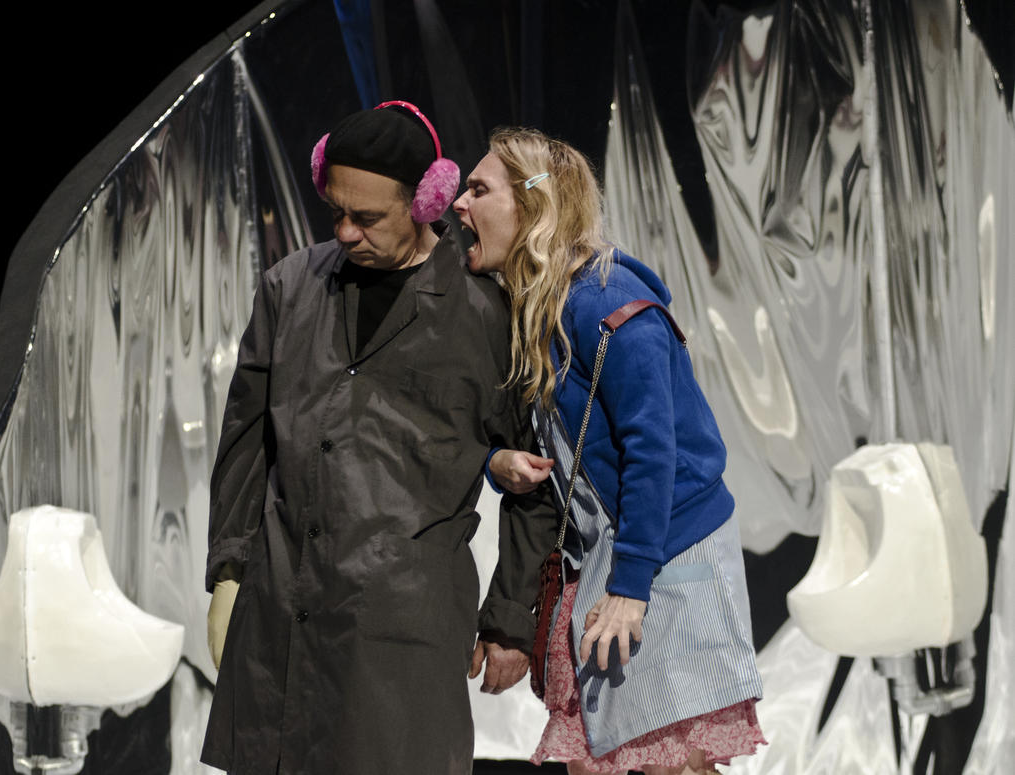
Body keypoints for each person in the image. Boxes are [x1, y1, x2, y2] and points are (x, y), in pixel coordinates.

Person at [201, 103, 557, 775]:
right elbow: (246, 444)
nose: (345, 231)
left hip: (401, 636)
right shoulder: (289, 288)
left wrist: (510, 616)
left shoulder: (483, 314)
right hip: (282, 616)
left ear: (426, 202)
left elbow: (536, 479)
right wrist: (228, 570)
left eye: (366, 217)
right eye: (336, 211)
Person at [458, 127, 765, 775]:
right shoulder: (540, 317)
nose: (459, 203)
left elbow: (656, 452)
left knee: (668, 761)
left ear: (532, 206)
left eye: (479, 189)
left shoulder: (609, 304)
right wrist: (497, 464)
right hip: (611, 559)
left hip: (665, 554)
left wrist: (630, 586)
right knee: (600, 755)